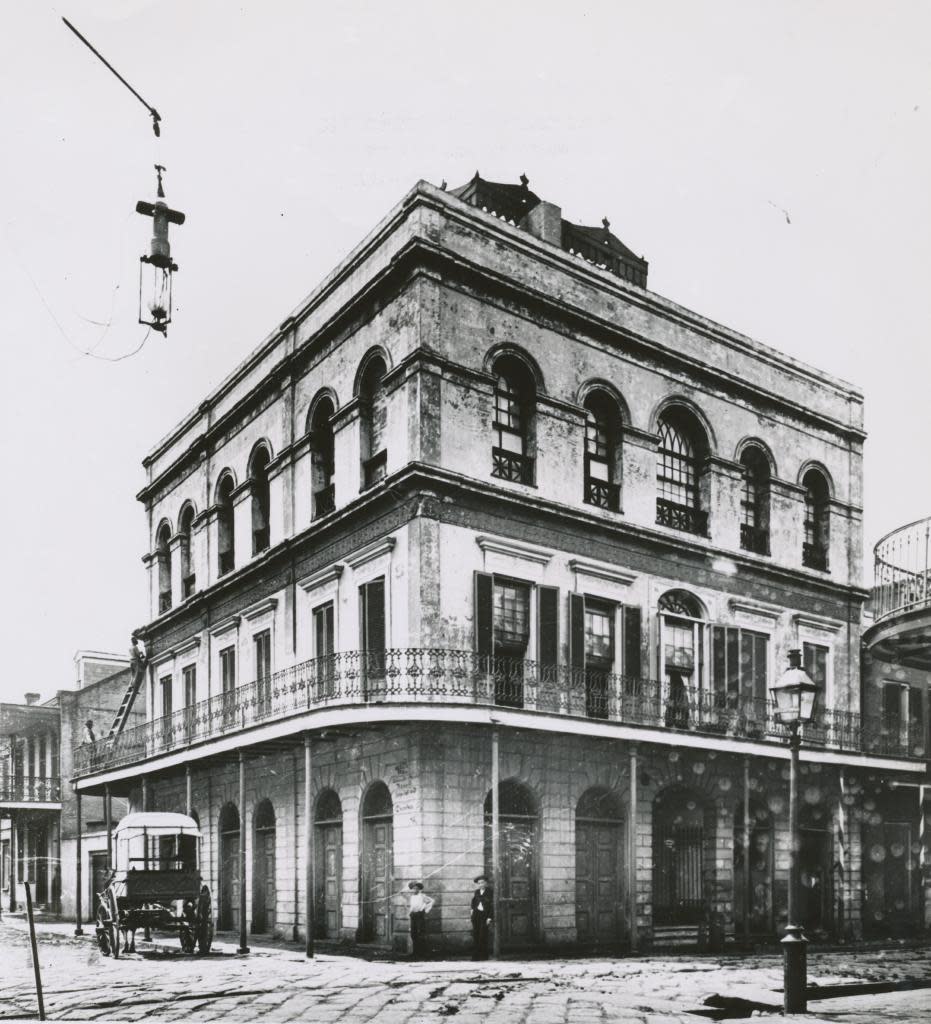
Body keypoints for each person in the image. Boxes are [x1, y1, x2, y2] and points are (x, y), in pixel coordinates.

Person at [407, 881, 435, 959]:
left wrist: (424, 910)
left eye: (416, 889)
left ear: (419, 889)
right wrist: (410, 912)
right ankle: (415, 952)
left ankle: (422, 953)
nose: (414, 890)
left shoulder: (422, 896)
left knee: (420, 934)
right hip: (413, 916)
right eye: (413, 889)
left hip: (419, 916)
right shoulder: (412, 897)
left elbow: (431, 901)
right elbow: (412, 906)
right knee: (413, 934)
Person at [471, 873, 493, 960]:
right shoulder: (476, 892)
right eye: (479, 883)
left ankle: (484, 955)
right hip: (476, 914)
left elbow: (492, 905)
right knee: (476, 934)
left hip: (485, 915)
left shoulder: (490, 892)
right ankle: (476, 956)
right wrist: (472, 910)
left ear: (486, 883)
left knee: (483, 935)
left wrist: (489, 917)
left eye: (483, 882)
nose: (481, 884)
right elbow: (473, 902)